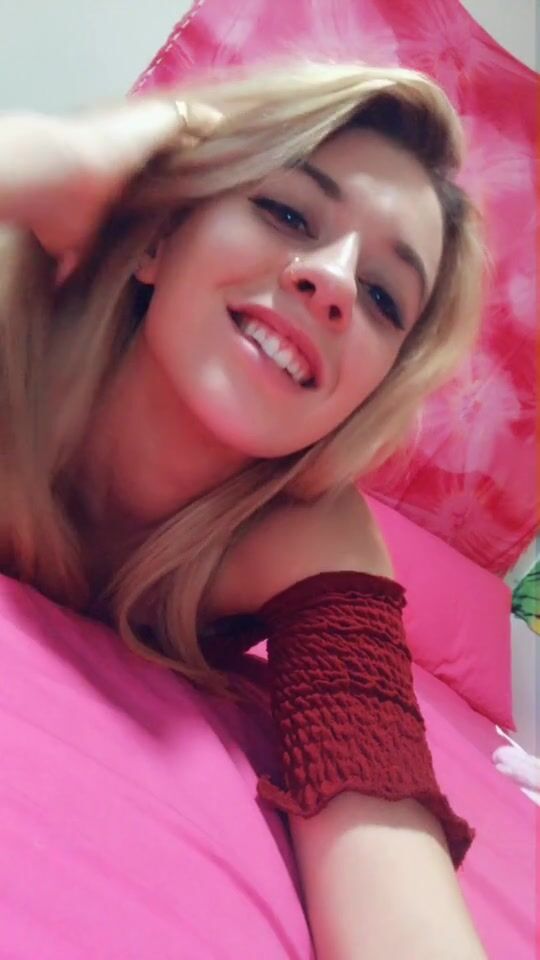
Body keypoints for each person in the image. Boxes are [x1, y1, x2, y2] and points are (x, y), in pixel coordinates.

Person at [0, 61, 489, 957]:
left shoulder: (311, 537)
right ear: (160, 237)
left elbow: (391, 873)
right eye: (289, 213)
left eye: (383, 297)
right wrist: (61, 156)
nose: (333, 282)